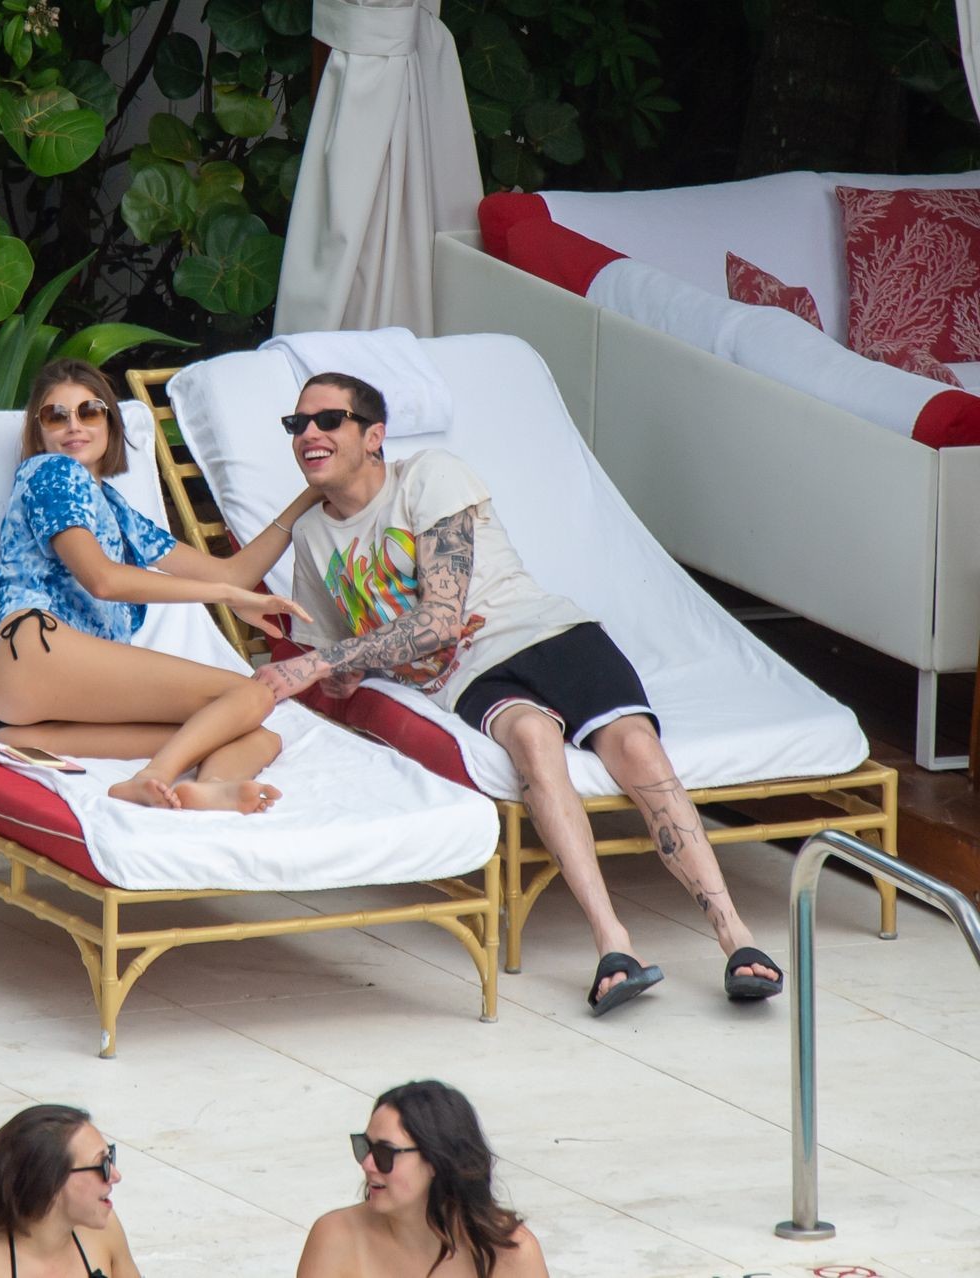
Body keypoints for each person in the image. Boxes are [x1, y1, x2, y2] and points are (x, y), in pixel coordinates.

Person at [257, 372, 785, 1014]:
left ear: (374, 436)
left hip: (546, 634)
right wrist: (339, 669)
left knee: (637, 749)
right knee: (534, 741)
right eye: (297, 424)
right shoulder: (313, 538)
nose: (308, 433)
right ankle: (612, 944)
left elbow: (440, 619)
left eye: (328, 420)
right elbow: (339, 652)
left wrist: (325, 661)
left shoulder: (428, 477)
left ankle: (735, 935)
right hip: (470, 678)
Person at [0, 358, 319, 814]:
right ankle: (153, 776)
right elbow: (102, 579)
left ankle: (211, 786)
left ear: (110, 423)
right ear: (38, 432)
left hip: (37, 710)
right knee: (251, 693)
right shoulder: (53, 473)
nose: (73, 425)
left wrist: (312, 494)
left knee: (250, 732)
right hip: (35, 648)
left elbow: (233, 575)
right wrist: (225, 597)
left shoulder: (116, 510)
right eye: (55, 416)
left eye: (89, 411)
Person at [297, 1080, 547, 1278]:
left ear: (436, 1160)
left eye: (385, 1153)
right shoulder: (335, 1238)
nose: (367, 1164)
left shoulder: (511, 1252)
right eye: (365, 1147)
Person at [0, 1103, 142, 1278]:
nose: (115, 1175)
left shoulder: (104, 1232)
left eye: (110, 1157)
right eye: (102, 1165)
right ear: (51, 1180)